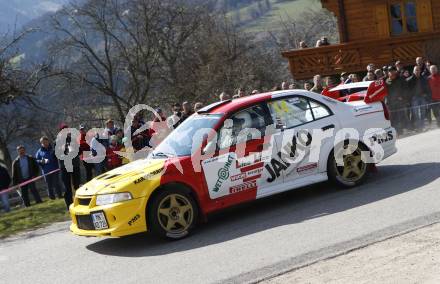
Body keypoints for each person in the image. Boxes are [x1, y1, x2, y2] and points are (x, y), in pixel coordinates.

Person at [57, 124, 81, 209]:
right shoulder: (57, 141)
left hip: (75, 165)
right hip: (65, 166)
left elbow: (79, 151)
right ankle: (69, 205)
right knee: (67, 188)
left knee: (77, 185)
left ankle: (80, 203)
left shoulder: (74, 139)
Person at [386, 66, 408, 134]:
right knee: (393, 118)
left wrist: (402, 97)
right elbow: (386, 93)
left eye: (393, 70)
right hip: (391, 103)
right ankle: (396, 132)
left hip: (400, 102)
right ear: (388, 73)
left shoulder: (400, 79)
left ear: (395, 71)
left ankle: (402, 130)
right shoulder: (386, 81)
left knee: (401, 116)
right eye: (390, 71)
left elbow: (405, 89)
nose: (392, 72)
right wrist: (387, 102)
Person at [407, 65, 430, 130]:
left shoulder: (423, 78)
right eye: (416, 70)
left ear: (420, 71)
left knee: (423, 112)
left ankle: (422, 126)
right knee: (416, 113)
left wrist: (426, 94)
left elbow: (427, 87)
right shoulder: (409, 80)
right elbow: (407, 90)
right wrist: (410, 98)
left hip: (422, 97)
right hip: (414, 98)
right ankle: (419, 127)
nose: (417, 71)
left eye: (418, 70)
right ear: (413, 71)